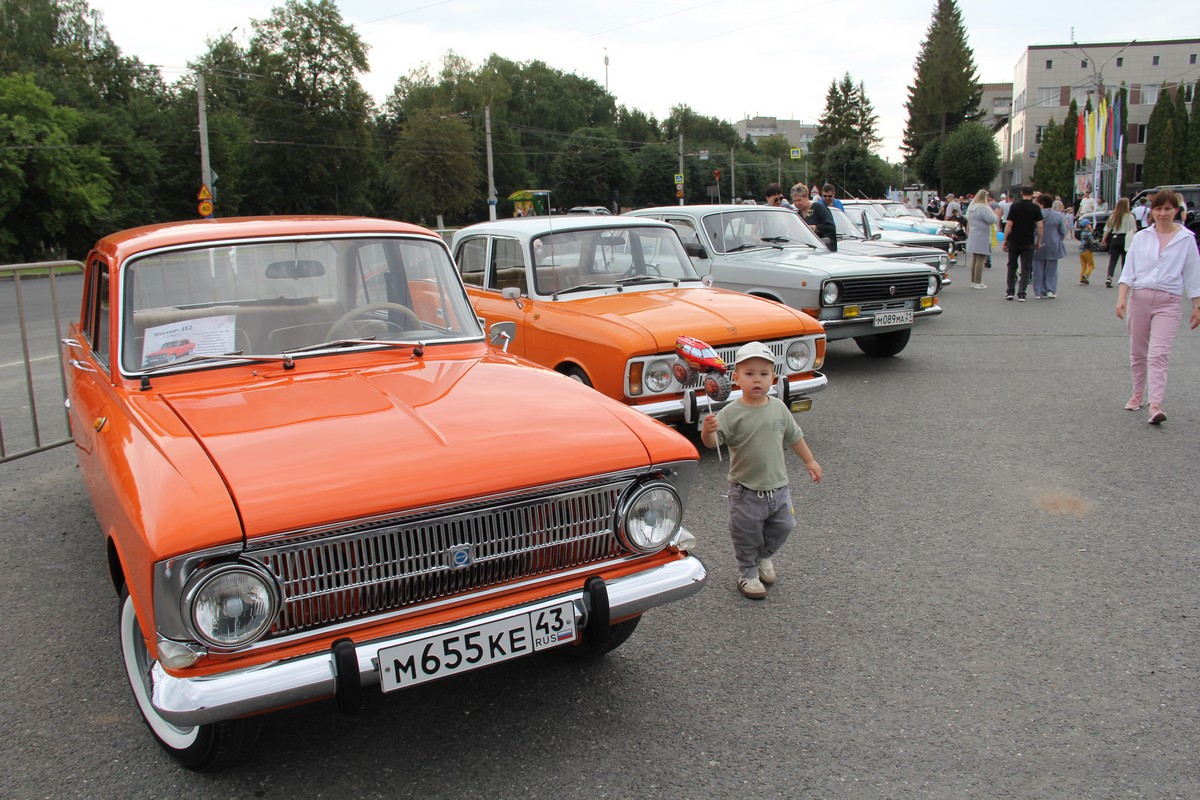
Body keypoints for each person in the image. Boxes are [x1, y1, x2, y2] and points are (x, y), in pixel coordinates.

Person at [701, 342, 822, 599]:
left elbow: (794, 436)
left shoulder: (778, 408)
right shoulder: (731, 413)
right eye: (749, 374)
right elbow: (713, 444)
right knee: (746, 534)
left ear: (773, 378)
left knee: (785, 525)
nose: (757, 380)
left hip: (778, 487)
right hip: (745, 490)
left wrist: (810, 461)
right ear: (736, 379)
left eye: (764, 374)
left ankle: (765, 557)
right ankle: (748, 573)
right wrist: (707, 431)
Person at [1114, 190, 1200, 425]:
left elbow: (1193, 275)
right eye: (1159, 209)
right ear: (1152, 211)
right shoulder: (1142, 237)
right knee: (1138, 351)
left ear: (1176, 211)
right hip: (1140, 298)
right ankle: (1137, 394)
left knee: (1159, 354)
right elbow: (1128, 271)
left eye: (1168, 209)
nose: (1163, 213)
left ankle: (1155, 405)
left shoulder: (1186, 239)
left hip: (1168, 301)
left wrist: (1197, 305)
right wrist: (1122, 298)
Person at [1002, 185, 1043, 301]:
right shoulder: (1035, 208)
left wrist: (1005, 239)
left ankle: (1010, 291)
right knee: (1026, 267)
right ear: (1032, 194)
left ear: (1021, 193)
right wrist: (1039, 241)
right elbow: (1040, 226)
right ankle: (1022, 293)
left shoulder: (1014, 206)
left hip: (1014, 239)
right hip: (1028, 240)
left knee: (1012, 265)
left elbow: (1009, 224)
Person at [1032, 194, 1068, 298]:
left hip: (1038, 243)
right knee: (1052, 269)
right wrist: (1058, 239)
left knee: (1037, 269)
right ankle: (1051, 290)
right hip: (1053, 244)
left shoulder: (1036, 214)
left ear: (1041, 203)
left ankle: (1038, 291)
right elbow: (1063, 231)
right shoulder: (1057, 215)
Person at [964, 189, 996, 289]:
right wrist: (995, 215)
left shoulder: (972, 207)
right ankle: (978, 281)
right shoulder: (982, 207)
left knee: (975, 258)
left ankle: (973, 281)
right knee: (981, 259)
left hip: (974, 234)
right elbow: (991, 219)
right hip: (982, 235)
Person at [1102, 198, 1136, 288]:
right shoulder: (1130, 216)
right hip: (1125, 238)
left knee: (1113, 259)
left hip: (1115, 237)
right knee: (1125, 260)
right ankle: (1124, 279)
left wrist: (1104, 239)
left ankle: (1109, 276)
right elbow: (1134, 230)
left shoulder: (1113, 216)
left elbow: (1107, 229)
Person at [791, 183, 837, 251]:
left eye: (799, 200)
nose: (797, 204)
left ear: (807, 197)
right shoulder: (798, 214)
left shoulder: (819, 208)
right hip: (806, 251)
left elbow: (830, 226)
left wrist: (814, 228)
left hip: (825, 250)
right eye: (794, 201)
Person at [1077, 218, 1099, 285]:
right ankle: (1086, 275)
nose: (1090, 225)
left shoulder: (1082, 233)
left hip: (1081, 251)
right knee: (1091, 265)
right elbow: (1092, 242)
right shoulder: (1088, 233)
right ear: (1087, 226)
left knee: (1083, 266)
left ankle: (1082, 280)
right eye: (1089, 224)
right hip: (1087, 251)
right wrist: (1098, 243)